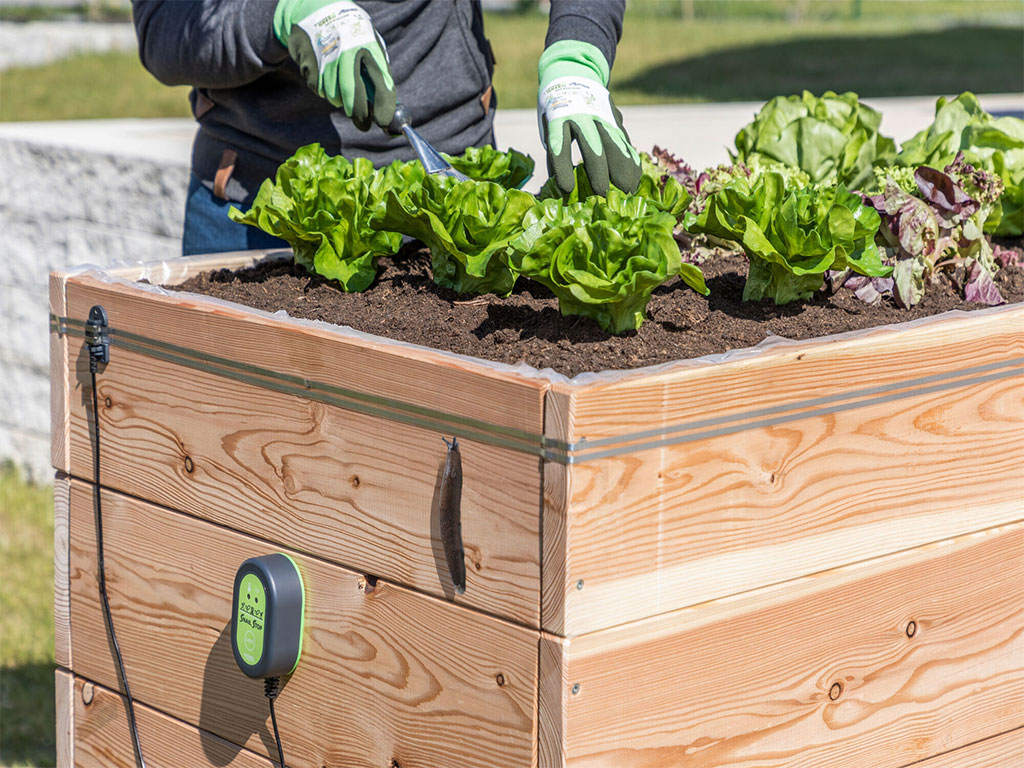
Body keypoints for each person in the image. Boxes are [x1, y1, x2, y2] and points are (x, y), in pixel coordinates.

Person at [132, 0, 641, 256]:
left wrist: (577, 53)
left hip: (455, 206)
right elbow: (166, 24)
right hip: (260, 210)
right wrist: (282, 14)